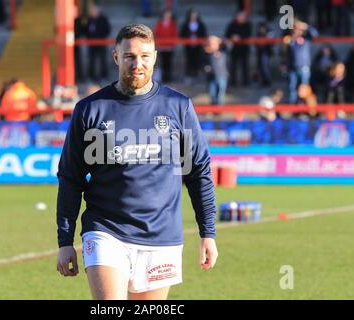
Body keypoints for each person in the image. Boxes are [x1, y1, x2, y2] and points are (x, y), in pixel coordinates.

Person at [56, 24, 218, 300]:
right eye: (129, 56)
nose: (137, 63)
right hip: (105, 230)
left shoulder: (178, 106)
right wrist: (65, 241)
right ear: (116, 57)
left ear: (155, 56)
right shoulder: (90, 109)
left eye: (144, 56)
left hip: (161, 235)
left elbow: (198, 172)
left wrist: (208, 232)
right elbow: (70, 177)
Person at [280, 19, 318, 104]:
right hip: (291, 67)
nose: (297, 30)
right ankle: (292, 105)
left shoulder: (306, 39)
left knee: (304, 88)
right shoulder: (288, 40)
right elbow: (283, 54)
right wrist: (283, 64)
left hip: (304, 66)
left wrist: (306, 26)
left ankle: (304, 105)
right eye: (295, 28)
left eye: (298, 28)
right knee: (292, 87)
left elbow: (315, 34)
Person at [179, 8, 207, 84]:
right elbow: (182, 34)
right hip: (188, 46)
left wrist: (197, 39)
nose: (194, 17)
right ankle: (188, 76)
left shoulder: (201, 25)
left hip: (198, 46)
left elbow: (204, 34)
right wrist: (189, 38)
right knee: (188, 61)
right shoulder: (185, 24)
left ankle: (196, 75)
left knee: (197, 60)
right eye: (192, 16)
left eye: (195, 16)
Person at [224, 11, 252, 87]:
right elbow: (227, 35)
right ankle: (233, 82)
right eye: (239, 17)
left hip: (244, 49)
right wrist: (232, 37)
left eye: (242, 17)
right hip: (234, 49)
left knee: (245, 66)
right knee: (233, 66)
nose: (240, 18)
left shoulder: (247, 25)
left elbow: (248, 35)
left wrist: (239, 37)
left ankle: (246, 82)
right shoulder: (232, 25)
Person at [86, 4, 111, 82]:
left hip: (101, 43)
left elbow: (107, 29)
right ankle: (92, 76)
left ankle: (104, 76)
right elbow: (86, 30)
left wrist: (101, 36)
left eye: (94, 11)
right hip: (91, 43)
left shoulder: (103, 19)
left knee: (102, 60)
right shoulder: (89, 19)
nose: (92, 12)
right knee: (91, 60)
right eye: (91, 11)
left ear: (98, 11)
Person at [153, 9, 178, 83]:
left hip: (170, 47)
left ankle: (169, 77)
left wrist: (172, 43)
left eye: (169, 15)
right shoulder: (159, 24)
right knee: (163, 62)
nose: (167, 17)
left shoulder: (173, 24)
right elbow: (156, 33)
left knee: (169, 62)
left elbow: (174, 34)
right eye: (166, 15)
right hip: (162, 46)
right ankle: (163, 78)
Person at [203, 35, 229, 105]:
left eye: (214, 44)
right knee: (212, 93)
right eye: (211, 44)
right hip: (211, 76)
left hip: (222, 75)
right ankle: (213, 107)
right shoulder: (207, 54)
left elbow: (227, 44)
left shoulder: (223, 52)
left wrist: (218, 40)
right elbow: (204, 63)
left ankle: (219, 108)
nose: (212, 45)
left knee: (220, 94)